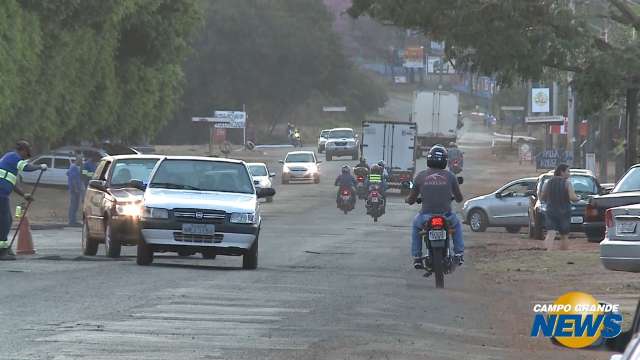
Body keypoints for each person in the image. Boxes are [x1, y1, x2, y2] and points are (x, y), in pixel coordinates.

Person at [405, 145, 464, 269]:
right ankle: (459, 254)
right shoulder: (450, 176)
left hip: (425, 217)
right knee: (457, 225)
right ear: (445, 160)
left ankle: (417, 257)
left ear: (429, 159)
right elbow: (459, 198)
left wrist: (408, 200)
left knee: (416, 227)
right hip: (447, 216)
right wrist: (453, 197)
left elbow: (411, 199)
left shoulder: (420, 176)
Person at [0, 141, 46, 257]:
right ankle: (2, 250)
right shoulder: (14, 157)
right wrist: (39, 166)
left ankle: (5, 248)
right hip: (1, 194)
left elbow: (11, 182)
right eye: (27, 154)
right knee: (5, 222)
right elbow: (26, 168)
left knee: (6, 221)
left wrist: (24, 195)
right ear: (23, 150)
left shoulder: (9, 161)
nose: (26, 157)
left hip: (3, 194)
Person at [541, 164, 579, 251]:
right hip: (564, 211)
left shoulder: (548, 182)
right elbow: (572, 197)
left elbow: (543, 197)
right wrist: (578, 198)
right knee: (564, 234)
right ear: (562, 172)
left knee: (551, 232)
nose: (569, 174)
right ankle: (563, 253)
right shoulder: (567, 183)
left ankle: (548, 251)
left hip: (550, 210)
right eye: (568, 171)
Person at [67, 156, 84, 226]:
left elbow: (67, 173)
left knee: (75, 206)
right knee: (73, 205)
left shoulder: (75, 167)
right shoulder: (74, 167)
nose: (81, 162)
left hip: (76, 189)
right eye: (80, 160)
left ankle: (73, 220)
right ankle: (72, 221)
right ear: (77, 160)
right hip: (74, 190)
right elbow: (73, 179)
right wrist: (76, 188)